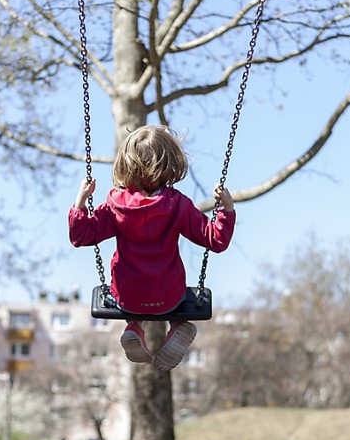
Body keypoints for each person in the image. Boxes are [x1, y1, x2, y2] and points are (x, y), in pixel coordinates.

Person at [69, 125, 236, 371]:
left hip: (126, 296)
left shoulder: (115, 204)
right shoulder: (177, 204)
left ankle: (133, 327)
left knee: (131, 297)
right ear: (169, 164)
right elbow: (216, 240)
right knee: (176, 303)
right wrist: (226, 210)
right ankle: (177, 326)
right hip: (168, 295)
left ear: (125, 164)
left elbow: (81, 236)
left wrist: (80, 202)